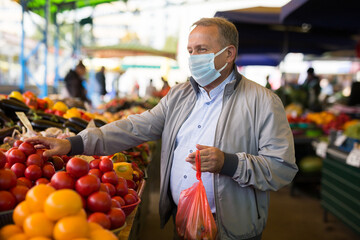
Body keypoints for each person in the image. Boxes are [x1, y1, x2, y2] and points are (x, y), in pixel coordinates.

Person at [26, 17, 297, 240]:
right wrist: (75, 144)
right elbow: (135, 127)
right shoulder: (179, 95)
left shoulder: (263, 101)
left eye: (202, 49)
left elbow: (282, 168)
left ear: (229, 54)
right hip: (184, 221)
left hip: (231, 230)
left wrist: (229, 163)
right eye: (190, 51)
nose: (193, 58)